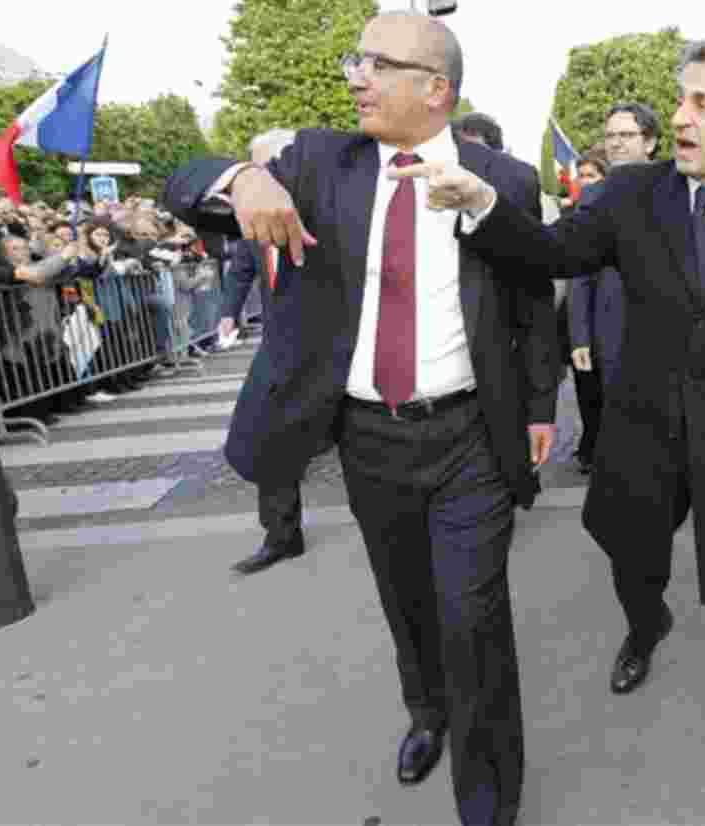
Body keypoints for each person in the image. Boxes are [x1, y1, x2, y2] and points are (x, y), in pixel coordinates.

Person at [396, 36, 705, 826]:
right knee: (633, 555)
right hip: (641, 435)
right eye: (680, 99)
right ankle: (647, 622)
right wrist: (482, 204)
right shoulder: (632, 195)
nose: (682, 117)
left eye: (703, 103)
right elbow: (555, 251)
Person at [162, 11, 558, 826]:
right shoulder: (316, 161)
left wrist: (542, 407)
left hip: (470, 439)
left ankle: (488, 805)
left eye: (378, 63)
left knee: (474, 619)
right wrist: (242, 178)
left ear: (435, 89)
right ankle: (427, 713)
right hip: (367, 434)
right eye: (356, 58)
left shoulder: (504, 179)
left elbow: (530, 303)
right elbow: (181, 183)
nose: (356, 76)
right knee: (406, 598)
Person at [219, 128, 308, 576]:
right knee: (270, 438)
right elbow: (239, 269)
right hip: (279, 345)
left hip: (333, 345)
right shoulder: (251, 212)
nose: (260, 176)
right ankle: (282, 535)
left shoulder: (322, 207)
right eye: (252, 167)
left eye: (265, 166)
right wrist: (228, 314)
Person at [568, 104, 660, 472]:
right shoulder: (593, 197)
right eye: (610, 137)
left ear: (650, 142)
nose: (616, 144)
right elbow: (580, 271)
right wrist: (579, 335)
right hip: (612, 331)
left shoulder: (678, 187)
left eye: (626, 136)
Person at [564, 148, 608, 473]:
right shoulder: (576, 215)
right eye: (582, 175)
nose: (585, 182)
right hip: (591, 329)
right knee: (590, 397)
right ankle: (592, 450)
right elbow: (577, 278)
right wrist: (579, 335)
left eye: (592, 175)